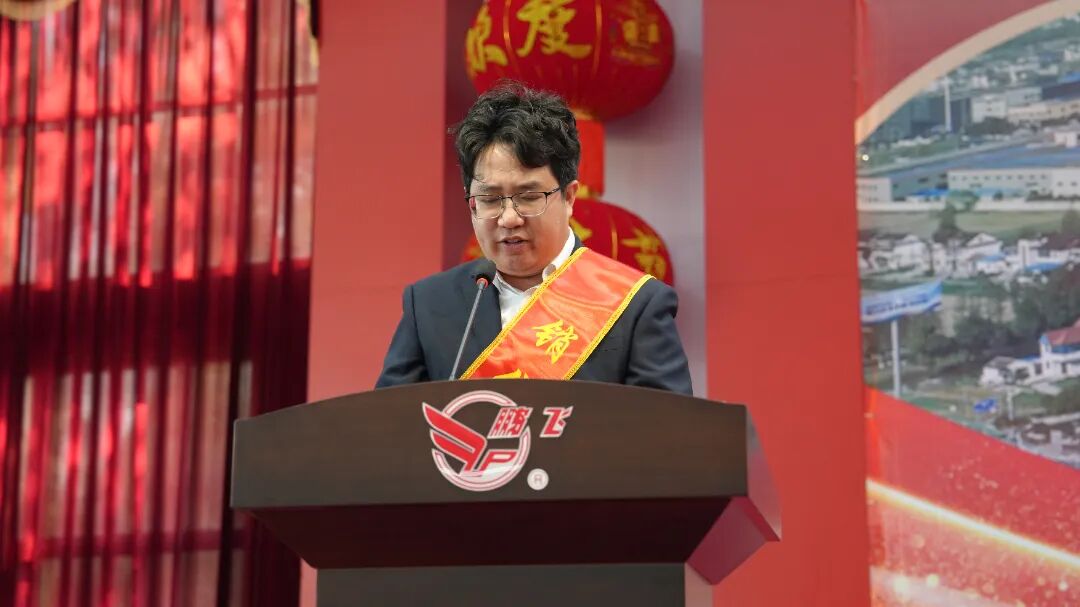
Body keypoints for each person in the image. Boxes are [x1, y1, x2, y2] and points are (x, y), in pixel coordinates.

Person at [376, 82, 692, 395]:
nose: (508, 218)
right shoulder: (429, 303)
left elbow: (666, 425)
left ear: (569, 197)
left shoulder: (635, 306)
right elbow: (387, 421)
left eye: (528, 197)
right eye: (489, 199)